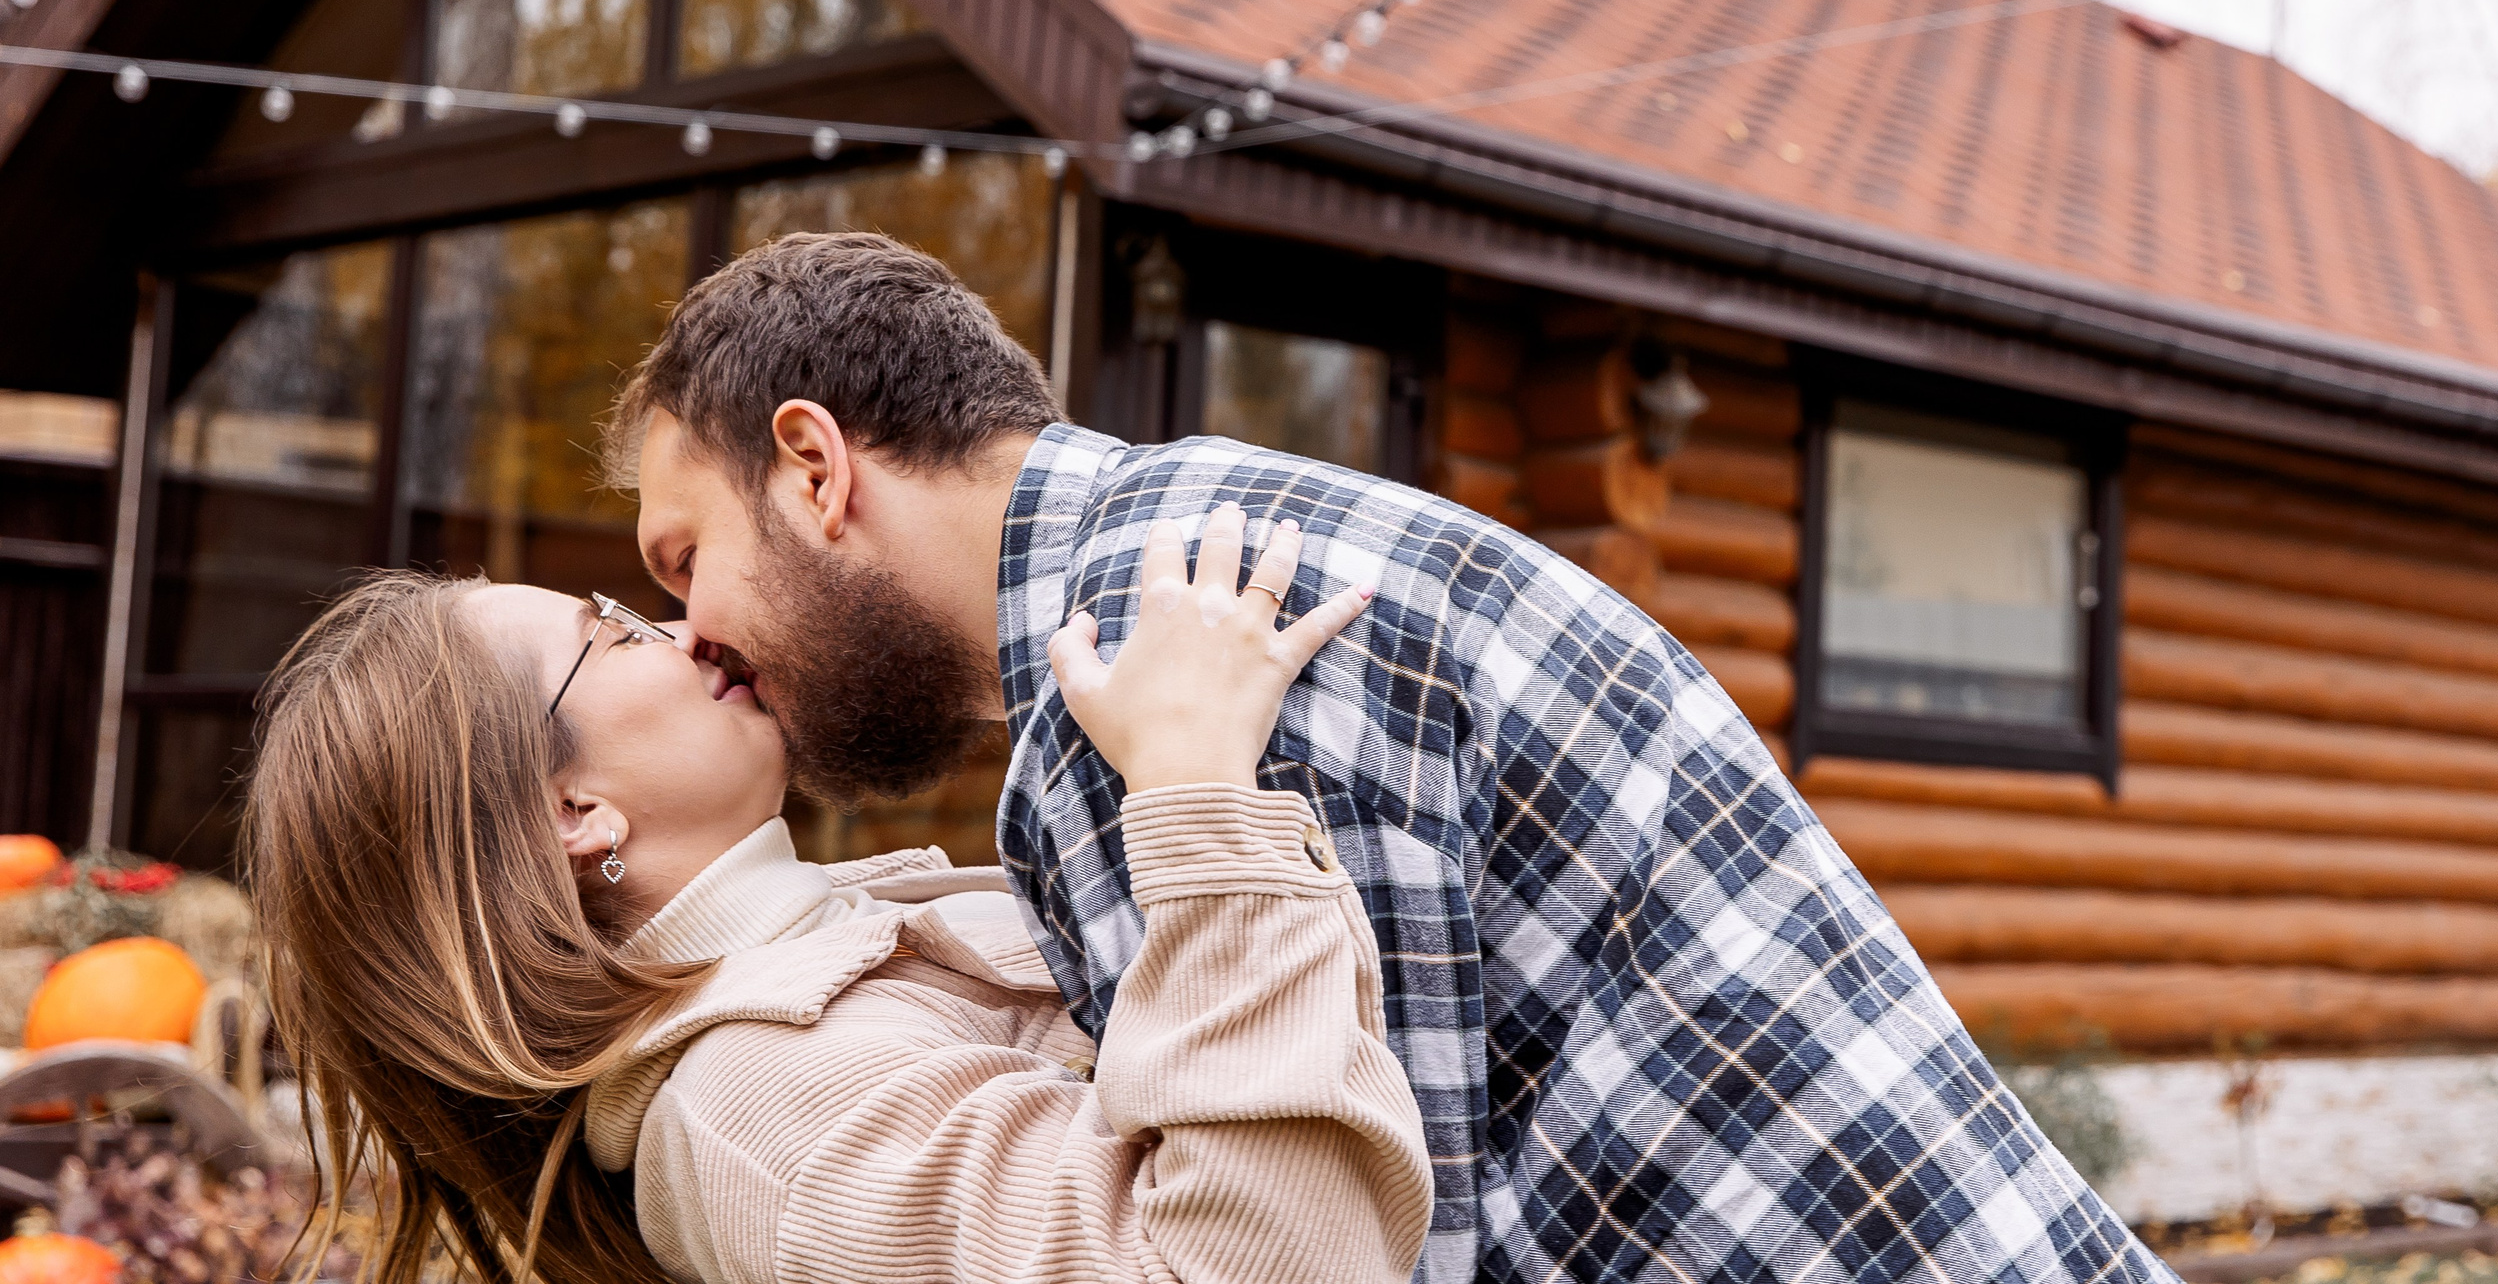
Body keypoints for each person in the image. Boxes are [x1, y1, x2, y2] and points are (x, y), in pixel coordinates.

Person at [615, 230, 2177, 1284]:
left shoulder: (1152, 674)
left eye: (686, 559)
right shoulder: (1203, 546)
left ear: (815, 471)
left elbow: (1368, 1251)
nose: (690, 631)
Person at [243, 514, 1428, 1284]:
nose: (685, 630)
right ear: (572, 815)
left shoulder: (820, 970)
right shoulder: (765, 1110)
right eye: (608, 631)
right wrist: (1199, 788)